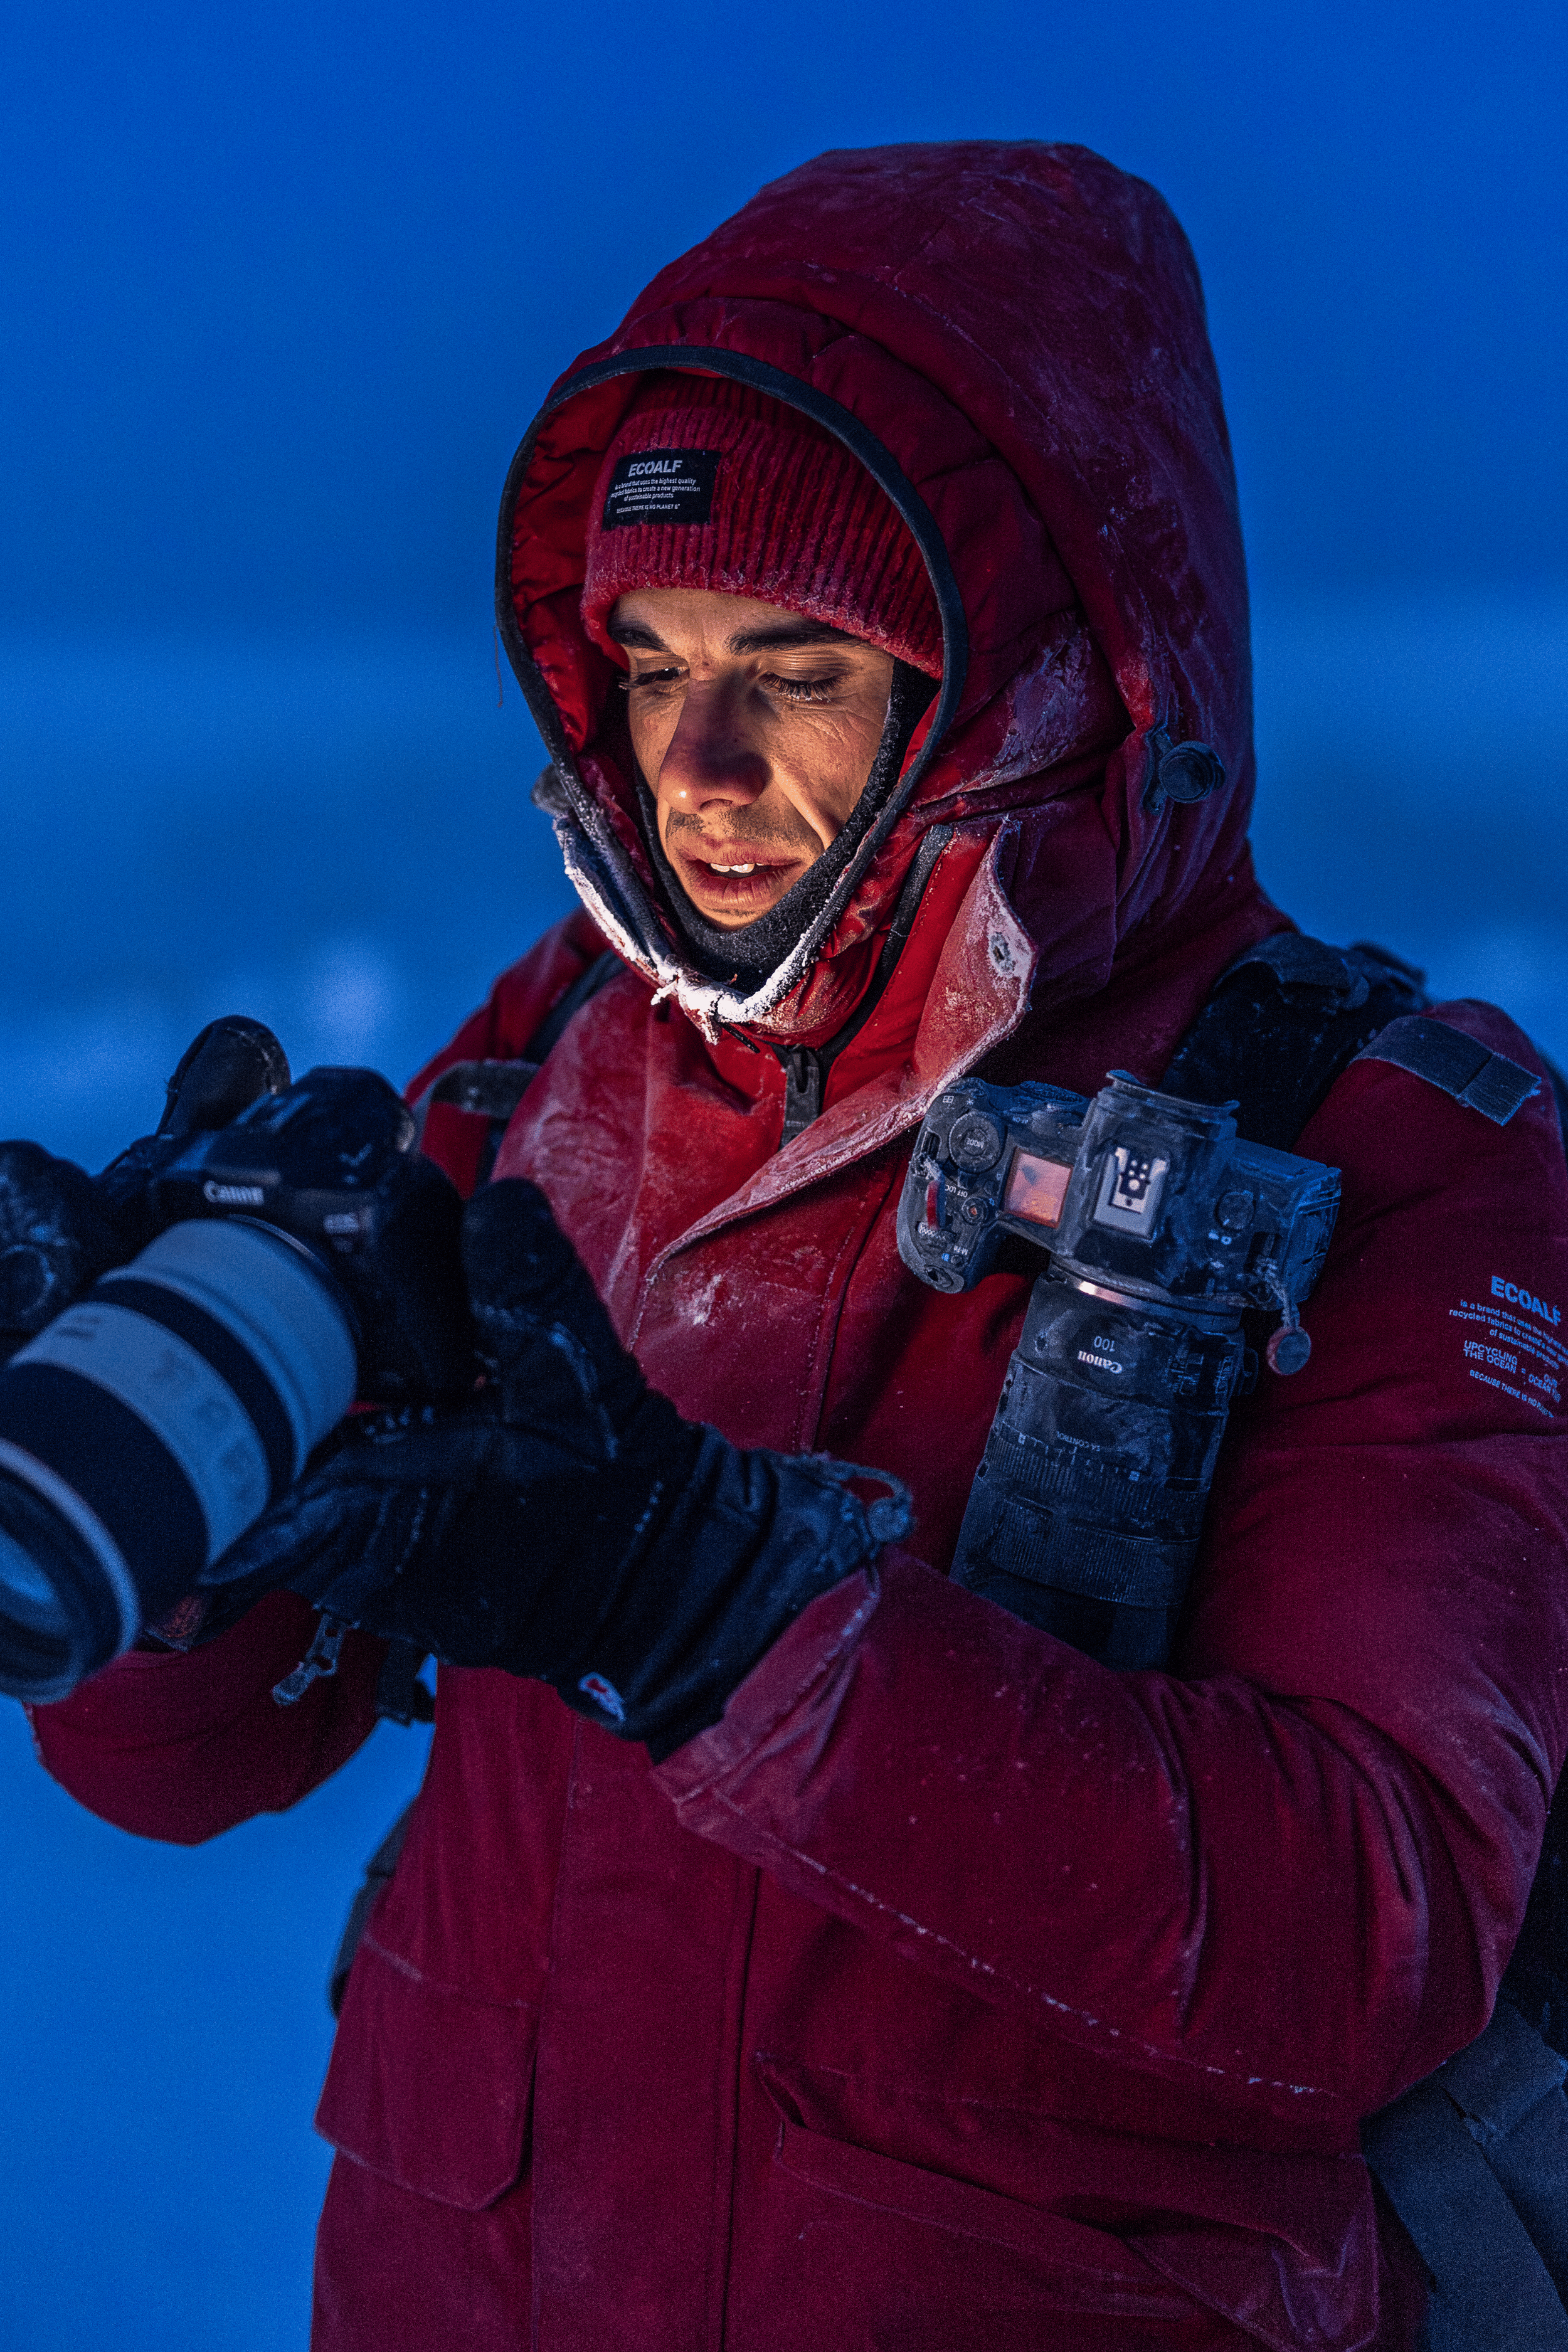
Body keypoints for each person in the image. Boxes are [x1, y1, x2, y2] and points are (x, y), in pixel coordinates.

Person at [29, 142, 1568, 2351]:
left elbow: (1367, 1925)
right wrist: (187, 1482)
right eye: (650, 666)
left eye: (800, 664)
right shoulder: (541, 1065)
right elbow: (186, 1765)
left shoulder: (1377, 1136)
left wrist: (702, 1602)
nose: (701, 766)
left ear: (1046, 672)